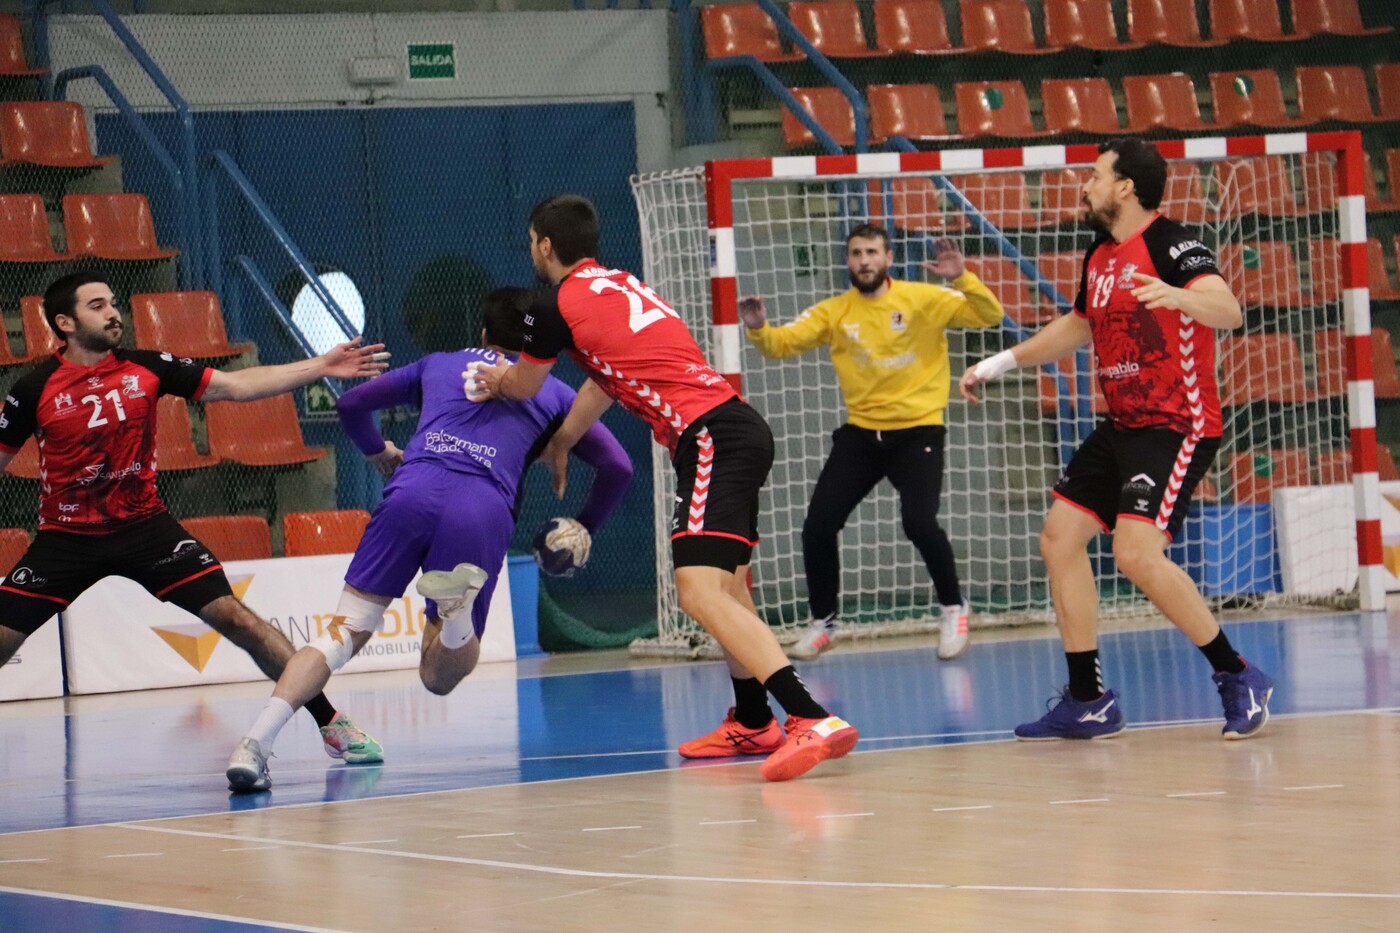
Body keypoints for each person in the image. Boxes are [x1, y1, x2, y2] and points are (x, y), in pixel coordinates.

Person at [468, 195, 860, 783]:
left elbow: (524, 385)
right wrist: (565, 440)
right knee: (730, 590)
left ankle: (810, 717)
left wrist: (499, 378)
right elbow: (605, 381)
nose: (532, 251)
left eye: (531, 242)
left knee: (698, 593)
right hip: (736, 427)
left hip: (709, 438)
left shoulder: (554, 305)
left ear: (545, 245)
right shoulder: (623, 286)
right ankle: (754, 720)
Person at [227, 287, 633, 791]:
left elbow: (351, 404)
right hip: (480, 508)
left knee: (343, 631)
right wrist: (586, 524)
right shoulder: (553, 394)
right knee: (438, 678)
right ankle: (455, 618)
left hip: (412, 488)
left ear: (483, 333)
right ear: (536, 346)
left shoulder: (439, 364)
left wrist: (377, 451)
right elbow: (619, 467)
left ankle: (255, 743)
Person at [0, 270, 387, 763]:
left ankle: (331, 722)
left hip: (146, 529)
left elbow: (238, 385)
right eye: (97, 306)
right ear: (65, 323)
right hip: (66, 539)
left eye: (113, 302)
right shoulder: (33, 389)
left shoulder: (148, 367)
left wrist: (322, 365)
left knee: (239, 619)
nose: (114, 313)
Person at [960, 138, 1274, 740]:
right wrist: (1001, 363)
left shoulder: (1172, 243)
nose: (1086, 185)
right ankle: (1088, 700)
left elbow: (1227, 310)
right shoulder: (1100, 253)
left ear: (1125, 186)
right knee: (1059, 539)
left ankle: (1239, 675)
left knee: (1135, 553)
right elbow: (1079, 324)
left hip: (1176, 422)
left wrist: (1178, 295)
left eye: (1096, 174)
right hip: (1123, 423)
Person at [740, 225, 1004, 662]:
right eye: (856, 253)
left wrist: (961, 277)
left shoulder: (924, 299)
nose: (864, 260)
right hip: (862, 434)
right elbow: (781, 344)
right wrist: (758, 328)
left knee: (919, 523)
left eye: (872, 252)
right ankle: (824, 623)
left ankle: (953, 608)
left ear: (889, 258)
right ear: (848, 261)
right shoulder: (835, 311)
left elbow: (989, 314)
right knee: (818, 526)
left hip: (918, 431)